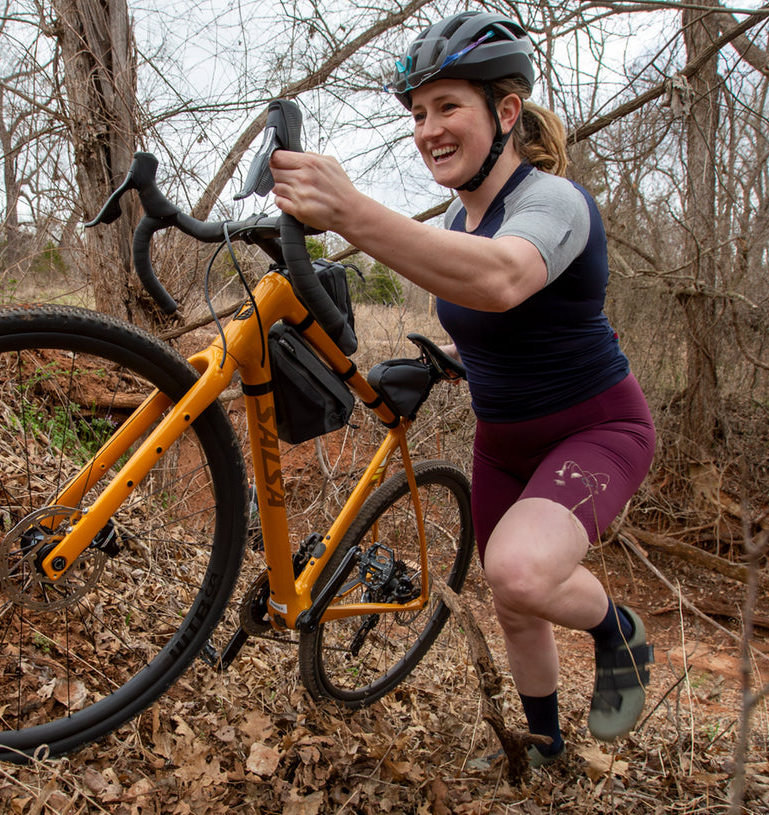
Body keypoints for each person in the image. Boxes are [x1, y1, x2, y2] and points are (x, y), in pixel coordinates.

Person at [270, 11, 656, 767]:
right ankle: (545, 746)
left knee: (521, 569)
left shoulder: (553, 203)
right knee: (514, 602)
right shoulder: (458, 214)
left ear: (505, 113)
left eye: (449, 107)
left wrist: (349, 210)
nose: (427, 130)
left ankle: (618, 633)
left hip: (595, 428)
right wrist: (444, 356)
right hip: (503, 438)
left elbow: (503, 280)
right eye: (418, 113)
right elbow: (492, 317)